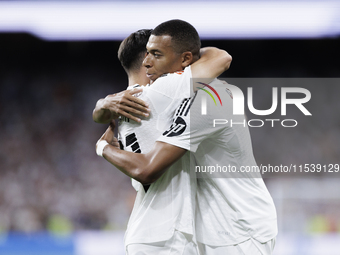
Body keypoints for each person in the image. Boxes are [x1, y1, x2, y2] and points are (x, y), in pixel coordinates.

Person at [95, 19, 277, 255]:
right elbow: (220, 56)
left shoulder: (198, 97)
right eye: (148, 54)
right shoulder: (166, 95)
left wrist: (102, 136)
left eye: (157, 54)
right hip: (204, 230)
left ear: (185, 60)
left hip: (239, 230)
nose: (149, 62)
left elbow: (147, 168)